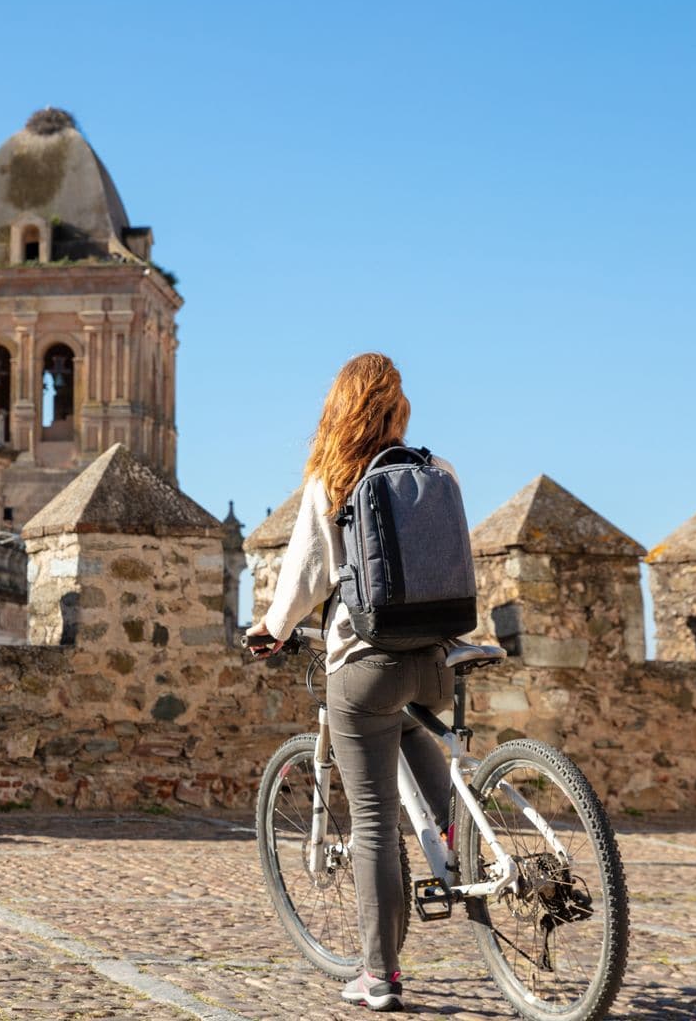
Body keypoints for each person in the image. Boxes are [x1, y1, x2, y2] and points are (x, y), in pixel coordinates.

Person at [247, 352, 457, 1014]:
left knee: (372, 826)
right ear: (399, 407)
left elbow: (305, 580)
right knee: (433, 776)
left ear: (338, 409)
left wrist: (272, 630)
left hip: (365, 665)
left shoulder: (331, 481)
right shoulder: (436, 471)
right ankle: (463, 847)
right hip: (435, 658)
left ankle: (378, 976)